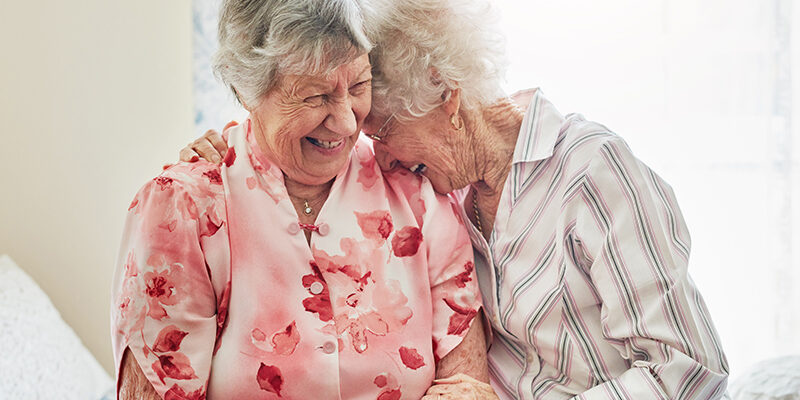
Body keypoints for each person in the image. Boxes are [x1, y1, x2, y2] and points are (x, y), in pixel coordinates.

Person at [184, 0, 731, 398]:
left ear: (445, 94)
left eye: (383, 131)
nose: (382, 160)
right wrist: (231, 151)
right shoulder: (445, 195)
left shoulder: (593, 172)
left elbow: (690, 370)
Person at [112, 1, 498, 399]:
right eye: (316, 96)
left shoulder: (417, 196)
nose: (346, 122)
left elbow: (466, 388)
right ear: (248, 91)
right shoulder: (182, 209)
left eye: (359, 86)